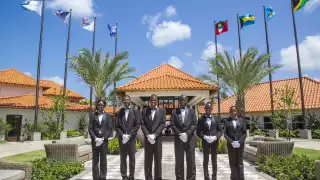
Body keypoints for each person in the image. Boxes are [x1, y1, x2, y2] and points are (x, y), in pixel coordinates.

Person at [170, 94, 197, 180]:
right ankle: (179, 178)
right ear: (179, 101)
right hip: (179, 140)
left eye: (184, 100)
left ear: (187, 101)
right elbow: (172, 124)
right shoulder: (174, 112)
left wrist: (187, 134)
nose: (182, 101)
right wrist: (180, 134)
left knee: (191, 161)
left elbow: (194, 123)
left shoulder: (192, 111)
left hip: (190, 139)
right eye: (181, 100)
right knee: (179, 161)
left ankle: (191, 178)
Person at [140, 94, 166, 180]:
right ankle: (148, 177)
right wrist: (148, 135)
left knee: (158, 160)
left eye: (155, 100)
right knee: (148, 160)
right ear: (149, 101)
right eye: (151, 100)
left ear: (157, 101)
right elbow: (142, 124)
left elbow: (163, 124)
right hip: (148, 140)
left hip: (157, 139)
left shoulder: (162, 111)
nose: (153, 102)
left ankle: (158, 177)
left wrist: (154, 135)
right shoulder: (144, 111)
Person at [115, 95, 140, 180]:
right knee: (123, 158)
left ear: (130, 101)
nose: (125, 101)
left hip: (131, 139)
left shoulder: (135, 112)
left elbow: (137, 125)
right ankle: (124, 176)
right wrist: (122, 135)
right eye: (124, 100)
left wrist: (129, 135)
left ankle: (131, 176)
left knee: (132, 159)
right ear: (123, 102)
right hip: (122, 140)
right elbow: (117, 126)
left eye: (127, 99)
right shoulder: (119, 113)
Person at [88, 98, 113, 180]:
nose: (100, 106)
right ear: (97, 106)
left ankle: (102, 177)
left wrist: (103, 138)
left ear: (104, 106)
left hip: (104, 142)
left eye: (102, 105)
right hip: (95, 141)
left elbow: (110, 129)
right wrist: (95, 138)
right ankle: (95, 177)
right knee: (95, 161)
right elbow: (90, 128)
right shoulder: (92, 115)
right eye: (99, 105)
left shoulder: (108, 116)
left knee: (103, 160)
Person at [196, 102, 223, 180]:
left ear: (212, 109)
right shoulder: (201, 119)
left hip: (215, 142)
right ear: (204, 109)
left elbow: (220, 131)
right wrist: (204, 137)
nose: (208, 110)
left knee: (214, 160)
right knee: (205, 160)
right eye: (206, 108)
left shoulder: (217, 118)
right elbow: (198, 131)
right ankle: (206, 177)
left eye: (209, 108)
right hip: (205, 142)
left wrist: (215, 137)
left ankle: (214, 177)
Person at [224, 106, 247, 180]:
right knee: (232, 163)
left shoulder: (241, 120)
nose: (233, 112)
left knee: (240, 162)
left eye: (234, 111)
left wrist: (240, 141)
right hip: (231, 145)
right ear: (229, 112)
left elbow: (244, 133)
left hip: (240, 145)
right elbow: (225, 134)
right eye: (232, 111)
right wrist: (231, 142)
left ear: (236, 111)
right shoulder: (226, 121)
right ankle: (234, 178)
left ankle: (241, 178)